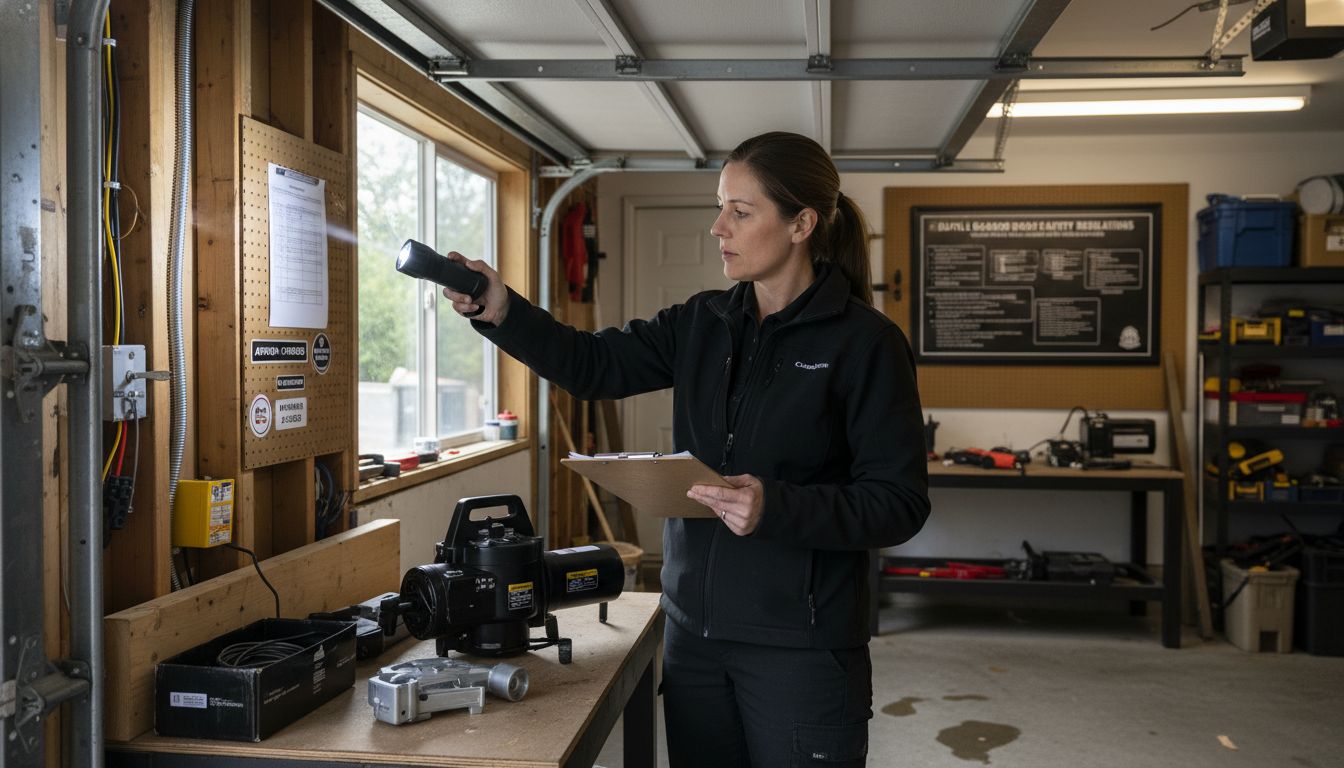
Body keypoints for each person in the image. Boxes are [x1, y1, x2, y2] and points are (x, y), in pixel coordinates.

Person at [442, 131, 930, 767]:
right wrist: (501, 308)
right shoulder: (702, 322)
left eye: (740, 211)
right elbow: (592, 366)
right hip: (695, 636)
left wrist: (776, 507)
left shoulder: (866, 344)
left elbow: (898, 503)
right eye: (719, 205)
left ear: (801, 224)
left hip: (802, 647)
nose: (717, 227)